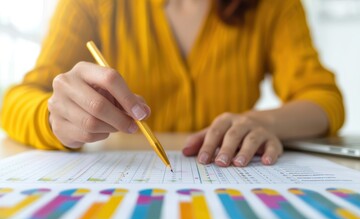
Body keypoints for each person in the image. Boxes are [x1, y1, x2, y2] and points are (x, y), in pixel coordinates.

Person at [1, 0, 344, 168]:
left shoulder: (274, 6)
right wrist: (53, 118)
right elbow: (17, 100)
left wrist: (264, 121)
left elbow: (324, 98)